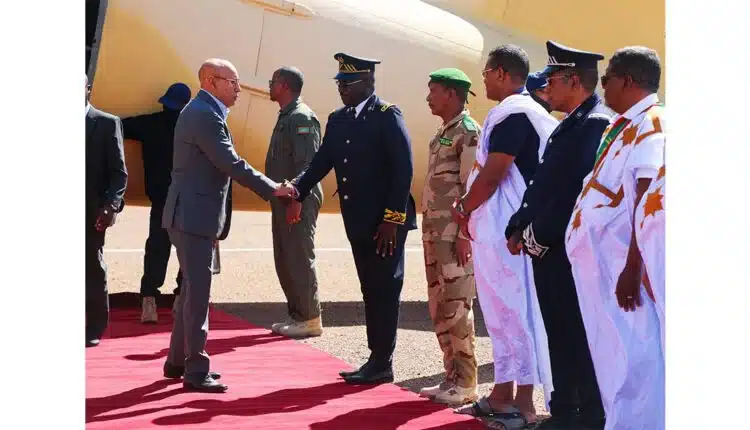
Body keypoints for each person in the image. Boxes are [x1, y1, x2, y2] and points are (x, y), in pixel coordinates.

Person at [278, 53, 417, 385]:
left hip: (386, 225)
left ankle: (382, 361)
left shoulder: (387, 116)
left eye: (349, 84)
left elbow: (403, 171)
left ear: (368, 83)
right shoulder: (338, 120)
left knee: (385, 289)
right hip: (357, 222)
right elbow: (321, 162)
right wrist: (296, 189)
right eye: (340, 84)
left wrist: (392, 221)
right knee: (370, 289)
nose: (342, 90)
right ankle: (376, 358)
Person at [162, 58, 288, 392]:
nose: (239, 88)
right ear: (210, 81)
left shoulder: (205, 112)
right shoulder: (204, 114)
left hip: (191, 214)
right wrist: (273, 189)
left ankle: (177, 361)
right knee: (197, 295)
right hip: (194, 217)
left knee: (190, 290)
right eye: (233, 82)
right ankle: (195, 370)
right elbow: (231, 163)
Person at [505, 40, 612, 430]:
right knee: (559, 328)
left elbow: (576, 194)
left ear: (572, 79)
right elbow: (544, 183)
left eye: (552, 77)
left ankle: (586, 415)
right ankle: (566, 408)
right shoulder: (571, 122)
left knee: (576, 332)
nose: (546, 85)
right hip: (549, 248)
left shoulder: (595, 123)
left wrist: (538, 235)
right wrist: (518, 222)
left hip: (567, 251)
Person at [450, 45, 557, 428]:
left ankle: (525, 404)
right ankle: (502, 394)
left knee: (519, 312)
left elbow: (494, 174)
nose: (483, 81)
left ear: (499, 72)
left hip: (510, 229)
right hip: (496, 227)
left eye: (486, 74)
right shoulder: (520, 112)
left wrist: (464, 207)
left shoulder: (517, 113)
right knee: (499, 313)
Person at [565, 46, 665, 430]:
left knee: (636, 359)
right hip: (603, 266)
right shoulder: (620, 125)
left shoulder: (651, 124)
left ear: (627, 80)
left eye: (606, 80)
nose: (602, 87)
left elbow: (646, 197)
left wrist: (634, 266)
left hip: (625, 268)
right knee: (611, 357)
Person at [418, 68, 480, 406]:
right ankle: (451, 377)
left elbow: (472, 186)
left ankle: (467, 381)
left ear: (453, 95)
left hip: (454, 235)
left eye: (434, 90)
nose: (428, 97)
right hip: (435, 234)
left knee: (457, 305)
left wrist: (465, 235)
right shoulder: (444, 132)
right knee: (439, 306)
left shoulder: (468, 133)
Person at [121, 82, 192, 324]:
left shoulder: (150, 124)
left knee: (157, 249)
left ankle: (149, 297)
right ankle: (182, 296)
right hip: (188, 200)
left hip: (161, 199)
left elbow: (118, 125)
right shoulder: (195, 128)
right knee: (188, 251)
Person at [265, 66, 324, 338]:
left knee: (299, 257)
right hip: (286, 199)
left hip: (298, 199)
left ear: (285, 85)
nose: (269, 84)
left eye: (273, 81)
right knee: (285, 258)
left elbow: (308, 165)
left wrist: (297, 200)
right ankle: (297, 314)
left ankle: (310, 318)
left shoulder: (301, 118)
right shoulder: (286, 116)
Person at [85, 74, 127, 347]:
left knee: (90, 266)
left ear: (87, 90)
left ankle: (95, 326)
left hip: (90, 210)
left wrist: (111, 207)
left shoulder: (106, 124)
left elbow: (119, 174)